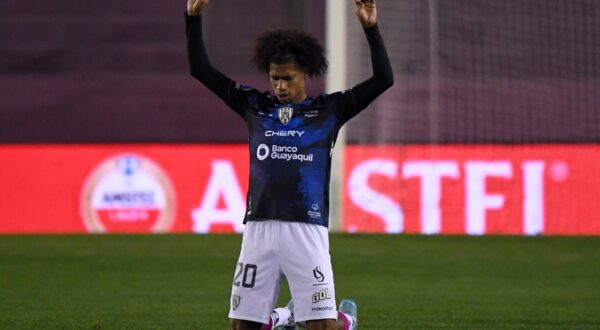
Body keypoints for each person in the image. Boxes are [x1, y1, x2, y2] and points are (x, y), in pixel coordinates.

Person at [185, 0, 393, 329]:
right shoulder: (254, 105)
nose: (280, 86)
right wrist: (192, 17)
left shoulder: (329, 110)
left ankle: (344, 321)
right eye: (275, 78)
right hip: (259, 228)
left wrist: (370, 27)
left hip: (306, 229)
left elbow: (383, 80)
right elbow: (201, 71)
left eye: (288, 78)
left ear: (305, 74)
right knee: (242, 325)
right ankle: (284, 315)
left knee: (321, 327)